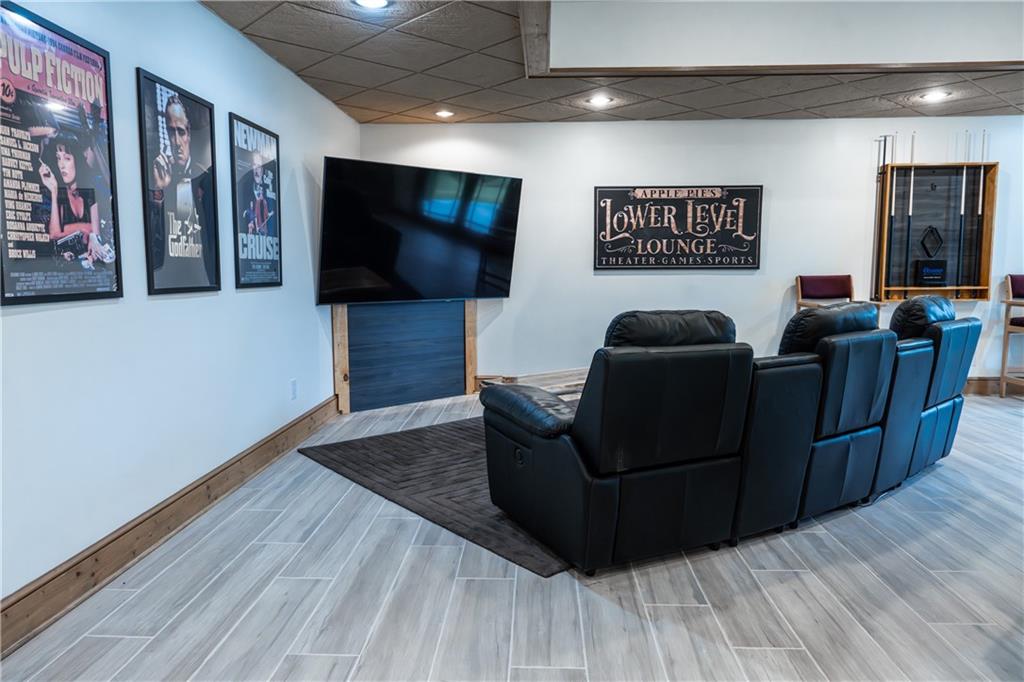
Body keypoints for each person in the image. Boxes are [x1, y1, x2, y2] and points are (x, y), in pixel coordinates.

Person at [146, 93, 217, 288]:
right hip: (168, 283)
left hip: (201, 280)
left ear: (190, 134)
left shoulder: (204, 178)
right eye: (171, 132)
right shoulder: (160, 178)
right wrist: (159, 192)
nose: (176, 141)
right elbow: (154, 251)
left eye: (181, 132)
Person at [37, 132, 103, 263]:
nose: (61, 165)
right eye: (58, 158)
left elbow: (96, 234)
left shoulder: (89, 194)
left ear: (77, 161)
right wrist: (54, 191)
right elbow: (54, 235)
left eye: (66, 158)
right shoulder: (60, 194)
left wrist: (71, 230)